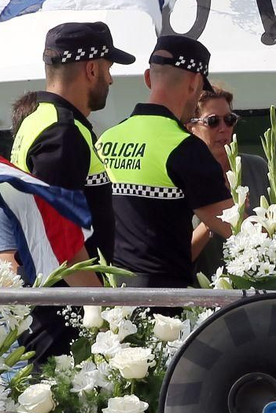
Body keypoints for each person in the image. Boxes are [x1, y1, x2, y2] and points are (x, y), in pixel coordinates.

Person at [95, 35, 234, 290]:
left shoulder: (105, 140)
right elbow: (233, 226)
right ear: (194, 84)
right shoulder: (186, 147)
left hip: (113, 300)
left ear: (148, 78)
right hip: (165, 305)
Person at [10, 21, 130, 281]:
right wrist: (98, 310)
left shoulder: (35, 119)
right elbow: (60, 235)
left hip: (47, 292)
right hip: (66, 306)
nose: (110, 79)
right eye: (108, 69)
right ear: (91, 69)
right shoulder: (62, 131)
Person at [189, 82, 271, 281]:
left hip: (258, 283)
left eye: (230, 119)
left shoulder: (256, 167)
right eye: (213, 121)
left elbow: (274, 230)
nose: (224, 128)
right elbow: (180, 256)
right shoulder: (185, 175)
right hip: (207, 290)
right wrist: (214, 219)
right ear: (191, 126)